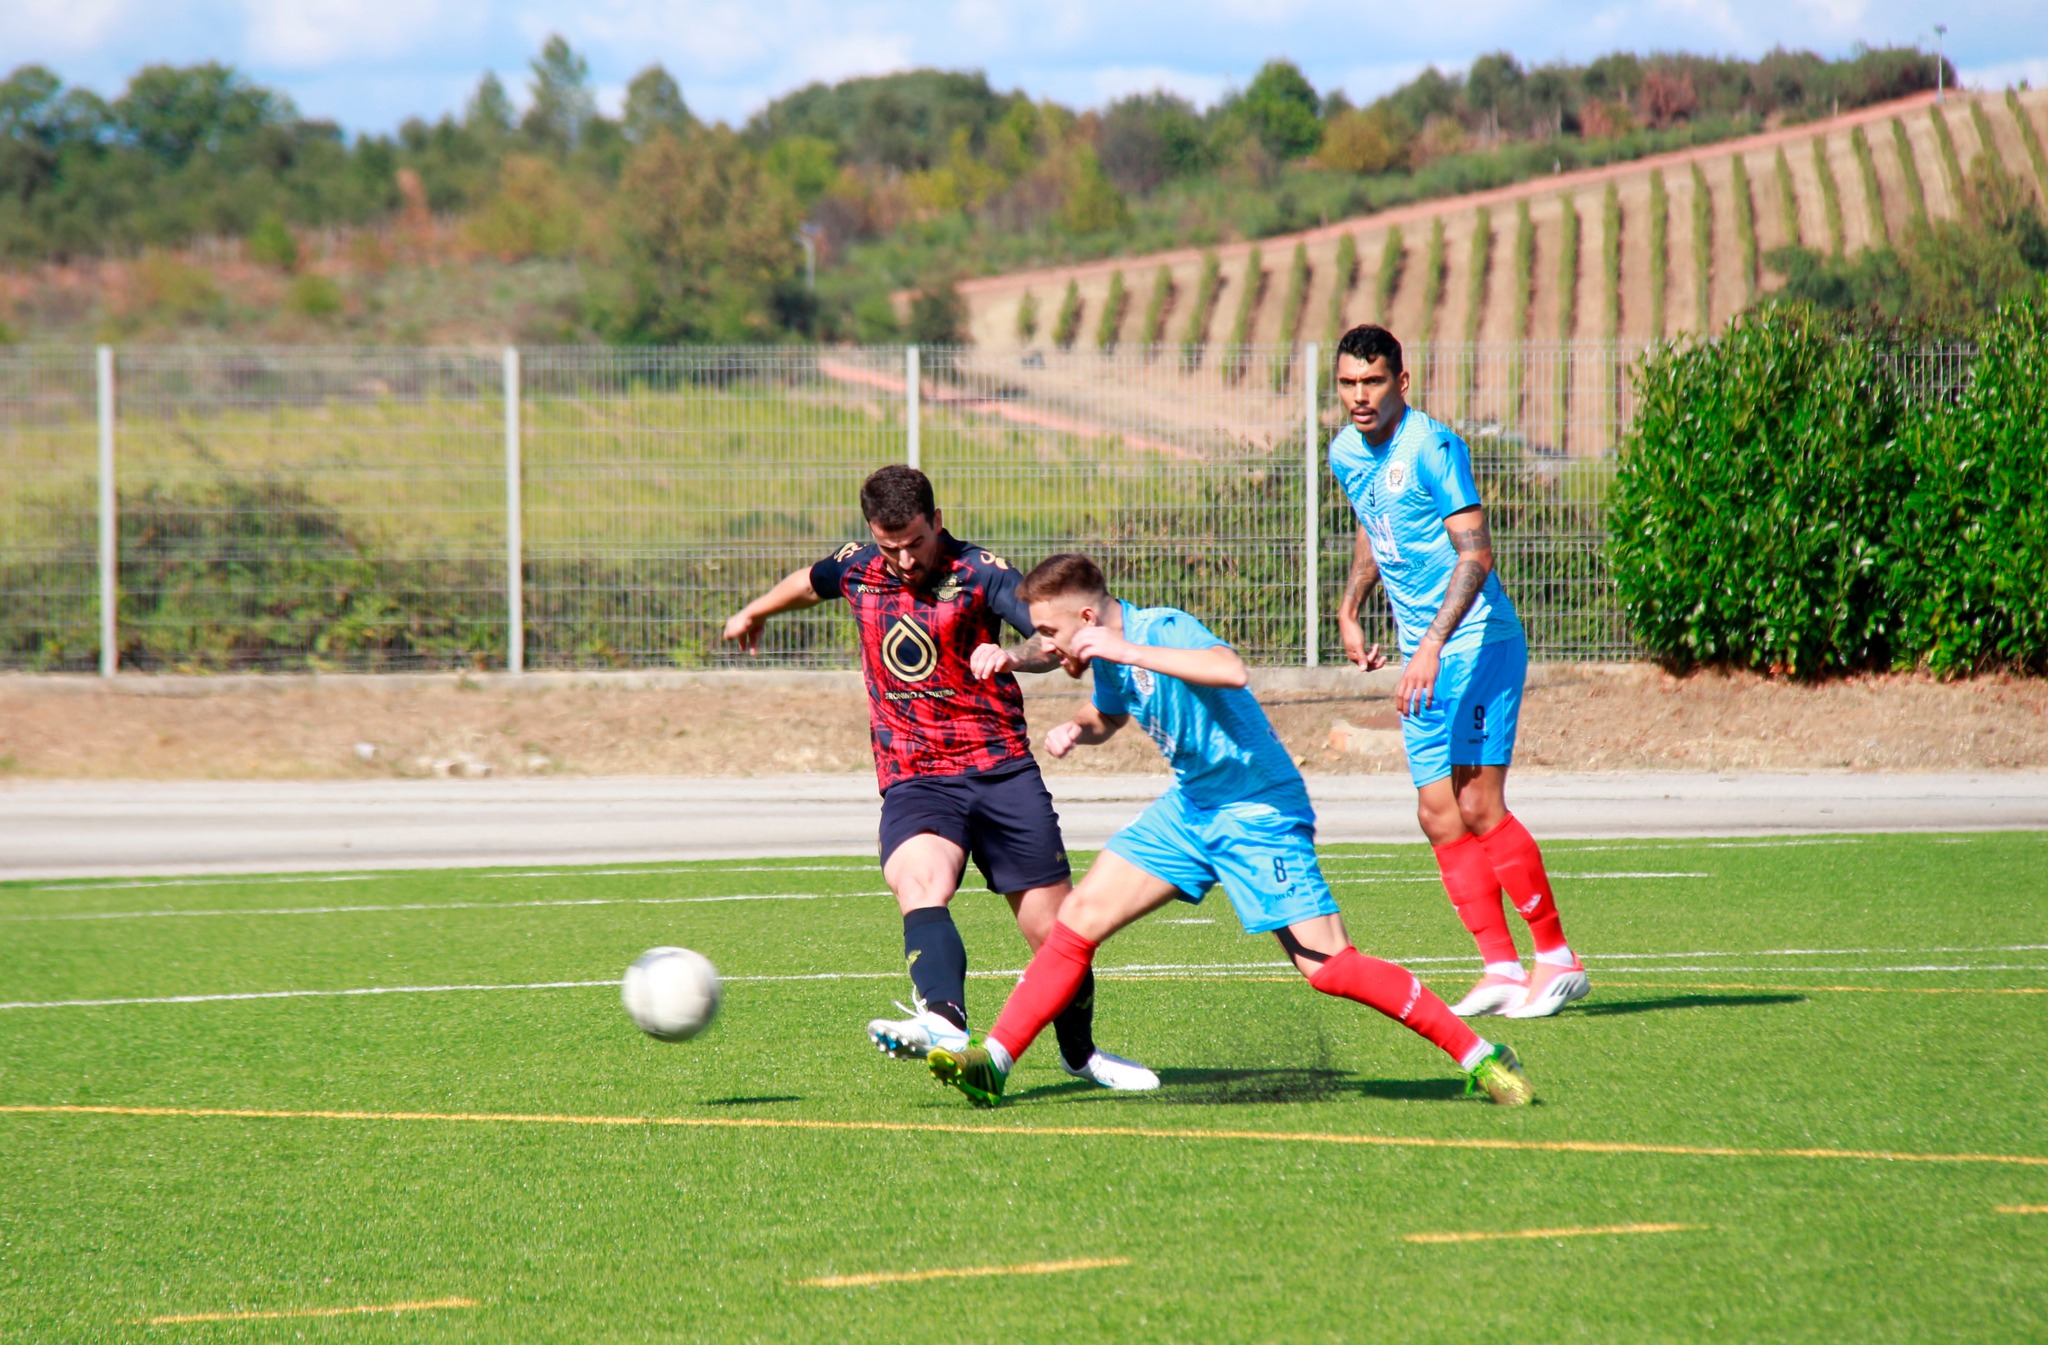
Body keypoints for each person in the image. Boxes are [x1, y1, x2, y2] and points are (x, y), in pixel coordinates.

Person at [927, 553, 1533, 1108]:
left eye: (1052, 633)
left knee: (1330, 968)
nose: (1048, 646)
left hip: (1256, 809)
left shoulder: (1161, 630)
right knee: (1076, 921)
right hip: (1192, 807)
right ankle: (995, 1062)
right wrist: (1076, 729)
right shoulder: (1107, 653)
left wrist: (1126, 651)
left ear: (1087, 617)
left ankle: (1480, 1056)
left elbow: (1230, 669)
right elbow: (1110, 711)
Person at [721, 466, 1156, 1092]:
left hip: (1001, 770)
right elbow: (808, 582)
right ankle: (945, 1021)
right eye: (888, 544)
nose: (901, 559)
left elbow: (1048, 637)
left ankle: (1081, 1055)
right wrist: (754, 611)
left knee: (1056, 934)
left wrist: (1014, 655)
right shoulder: (858, 566)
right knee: (918, 879)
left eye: (915, 543)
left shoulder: (981, 573)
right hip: (915, 774)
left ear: (938, 522)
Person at [1328, 324, 1588, 1019]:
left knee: (1477, 802)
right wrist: (1351, 604)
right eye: (1350, 383)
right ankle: (1500, 967)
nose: (1361, 396)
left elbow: (1476, 555)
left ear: (1401, 383)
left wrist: (1430, 646)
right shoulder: (1346, 453)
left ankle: (1557, 958)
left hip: (1475, 640)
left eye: (1374, 381)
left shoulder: (1434, 447)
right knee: (1438, 814)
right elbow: (1372, 522)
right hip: (1426, 652)